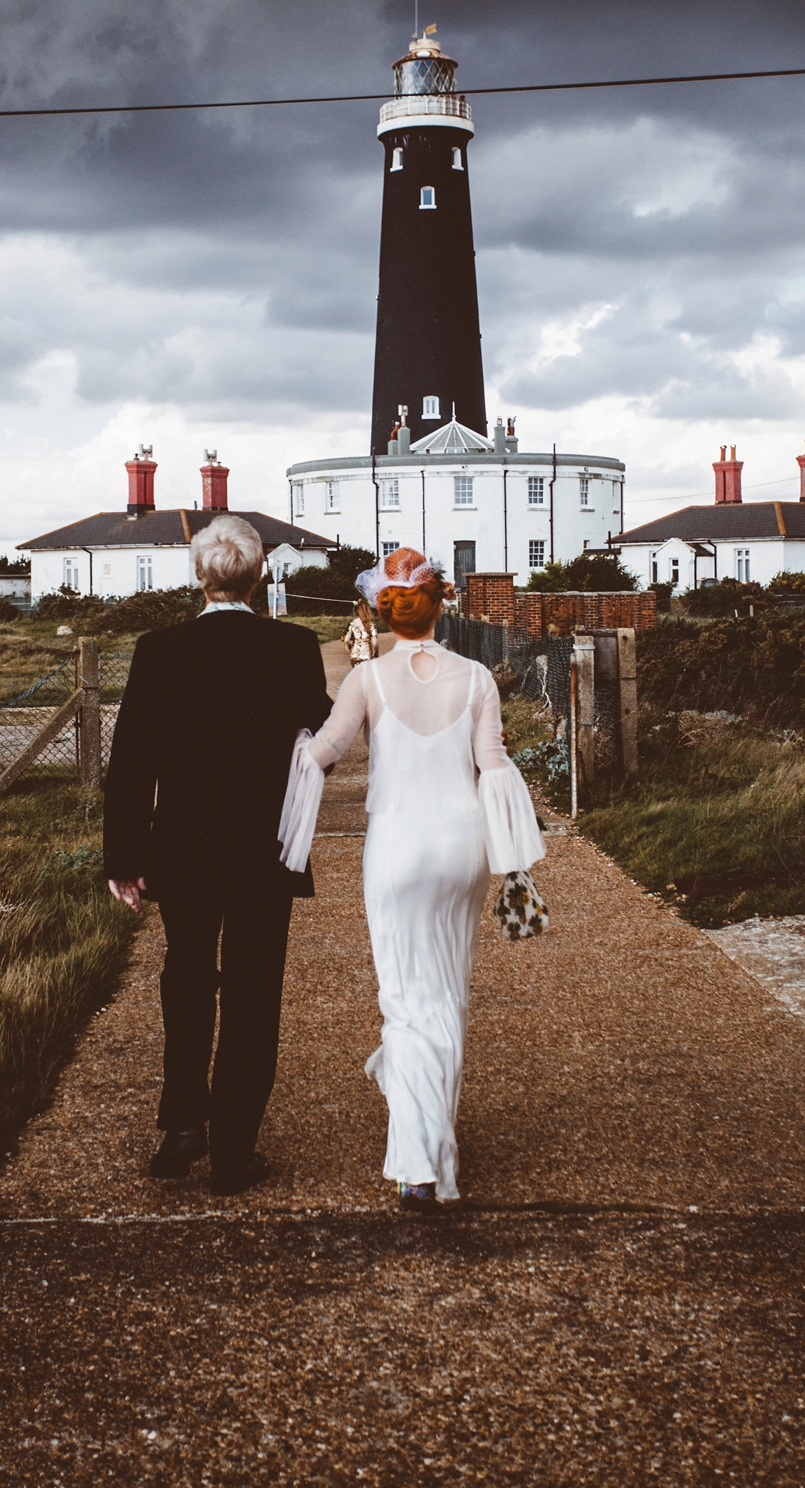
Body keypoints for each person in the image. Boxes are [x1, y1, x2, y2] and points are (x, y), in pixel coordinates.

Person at [278, 546, 545, 1213]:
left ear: (384, 612)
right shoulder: (478, 677)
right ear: (440, 603)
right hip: (461, 846)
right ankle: (427, 1123)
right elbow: (495, 767)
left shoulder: (366, 681)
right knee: (447, 993)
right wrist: (514, 859)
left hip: (396, 848)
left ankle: (417, 1163)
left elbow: (322, 754)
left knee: (404, 998)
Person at [104, 513, 333, 1196]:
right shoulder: (292, 647)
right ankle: (234, 1148)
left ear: (198, 575)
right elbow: (320, 727)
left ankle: (182, 1125)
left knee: (187, 978)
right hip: (264, 850)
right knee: (254, 990)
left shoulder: (158, 649)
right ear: (261, 575)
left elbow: (130, 760)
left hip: (184, 847)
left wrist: (123, 856)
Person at [344, 598, 376, 664]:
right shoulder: (371, 624)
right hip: (366, 656)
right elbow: (375, 643)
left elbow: (346, 640)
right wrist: (376, 652)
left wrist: (350, 647)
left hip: (354, 655)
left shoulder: (352, 623)